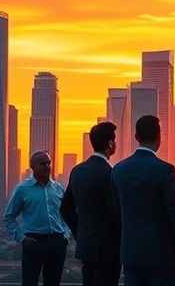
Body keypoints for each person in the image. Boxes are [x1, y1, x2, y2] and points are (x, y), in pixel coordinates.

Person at [111, 115, 175, 286]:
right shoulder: (165, 170)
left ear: (136, 137)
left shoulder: (118, 170)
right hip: (163, 256)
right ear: (159, 138)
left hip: (131, 255)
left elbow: (116, 214)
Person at [60, 122, 121, 286]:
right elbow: (115, 213)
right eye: (114, 141)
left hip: (86, 246)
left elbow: (65, 208)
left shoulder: (77, 170)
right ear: (110, 143)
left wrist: (80, 231)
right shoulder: (109, 173)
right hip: (108, 249)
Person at [5, 151, 71, 286]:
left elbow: (65, 215)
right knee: (30, 282)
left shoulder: (58, 188)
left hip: (57, 243)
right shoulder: (22, 189)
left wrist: (66, 237)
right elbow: (9, 217)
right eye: (43, 164)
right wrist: (22, 239)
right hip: (34, 243)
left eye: (49, 162)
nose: (47, 166)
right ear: (32, 167)